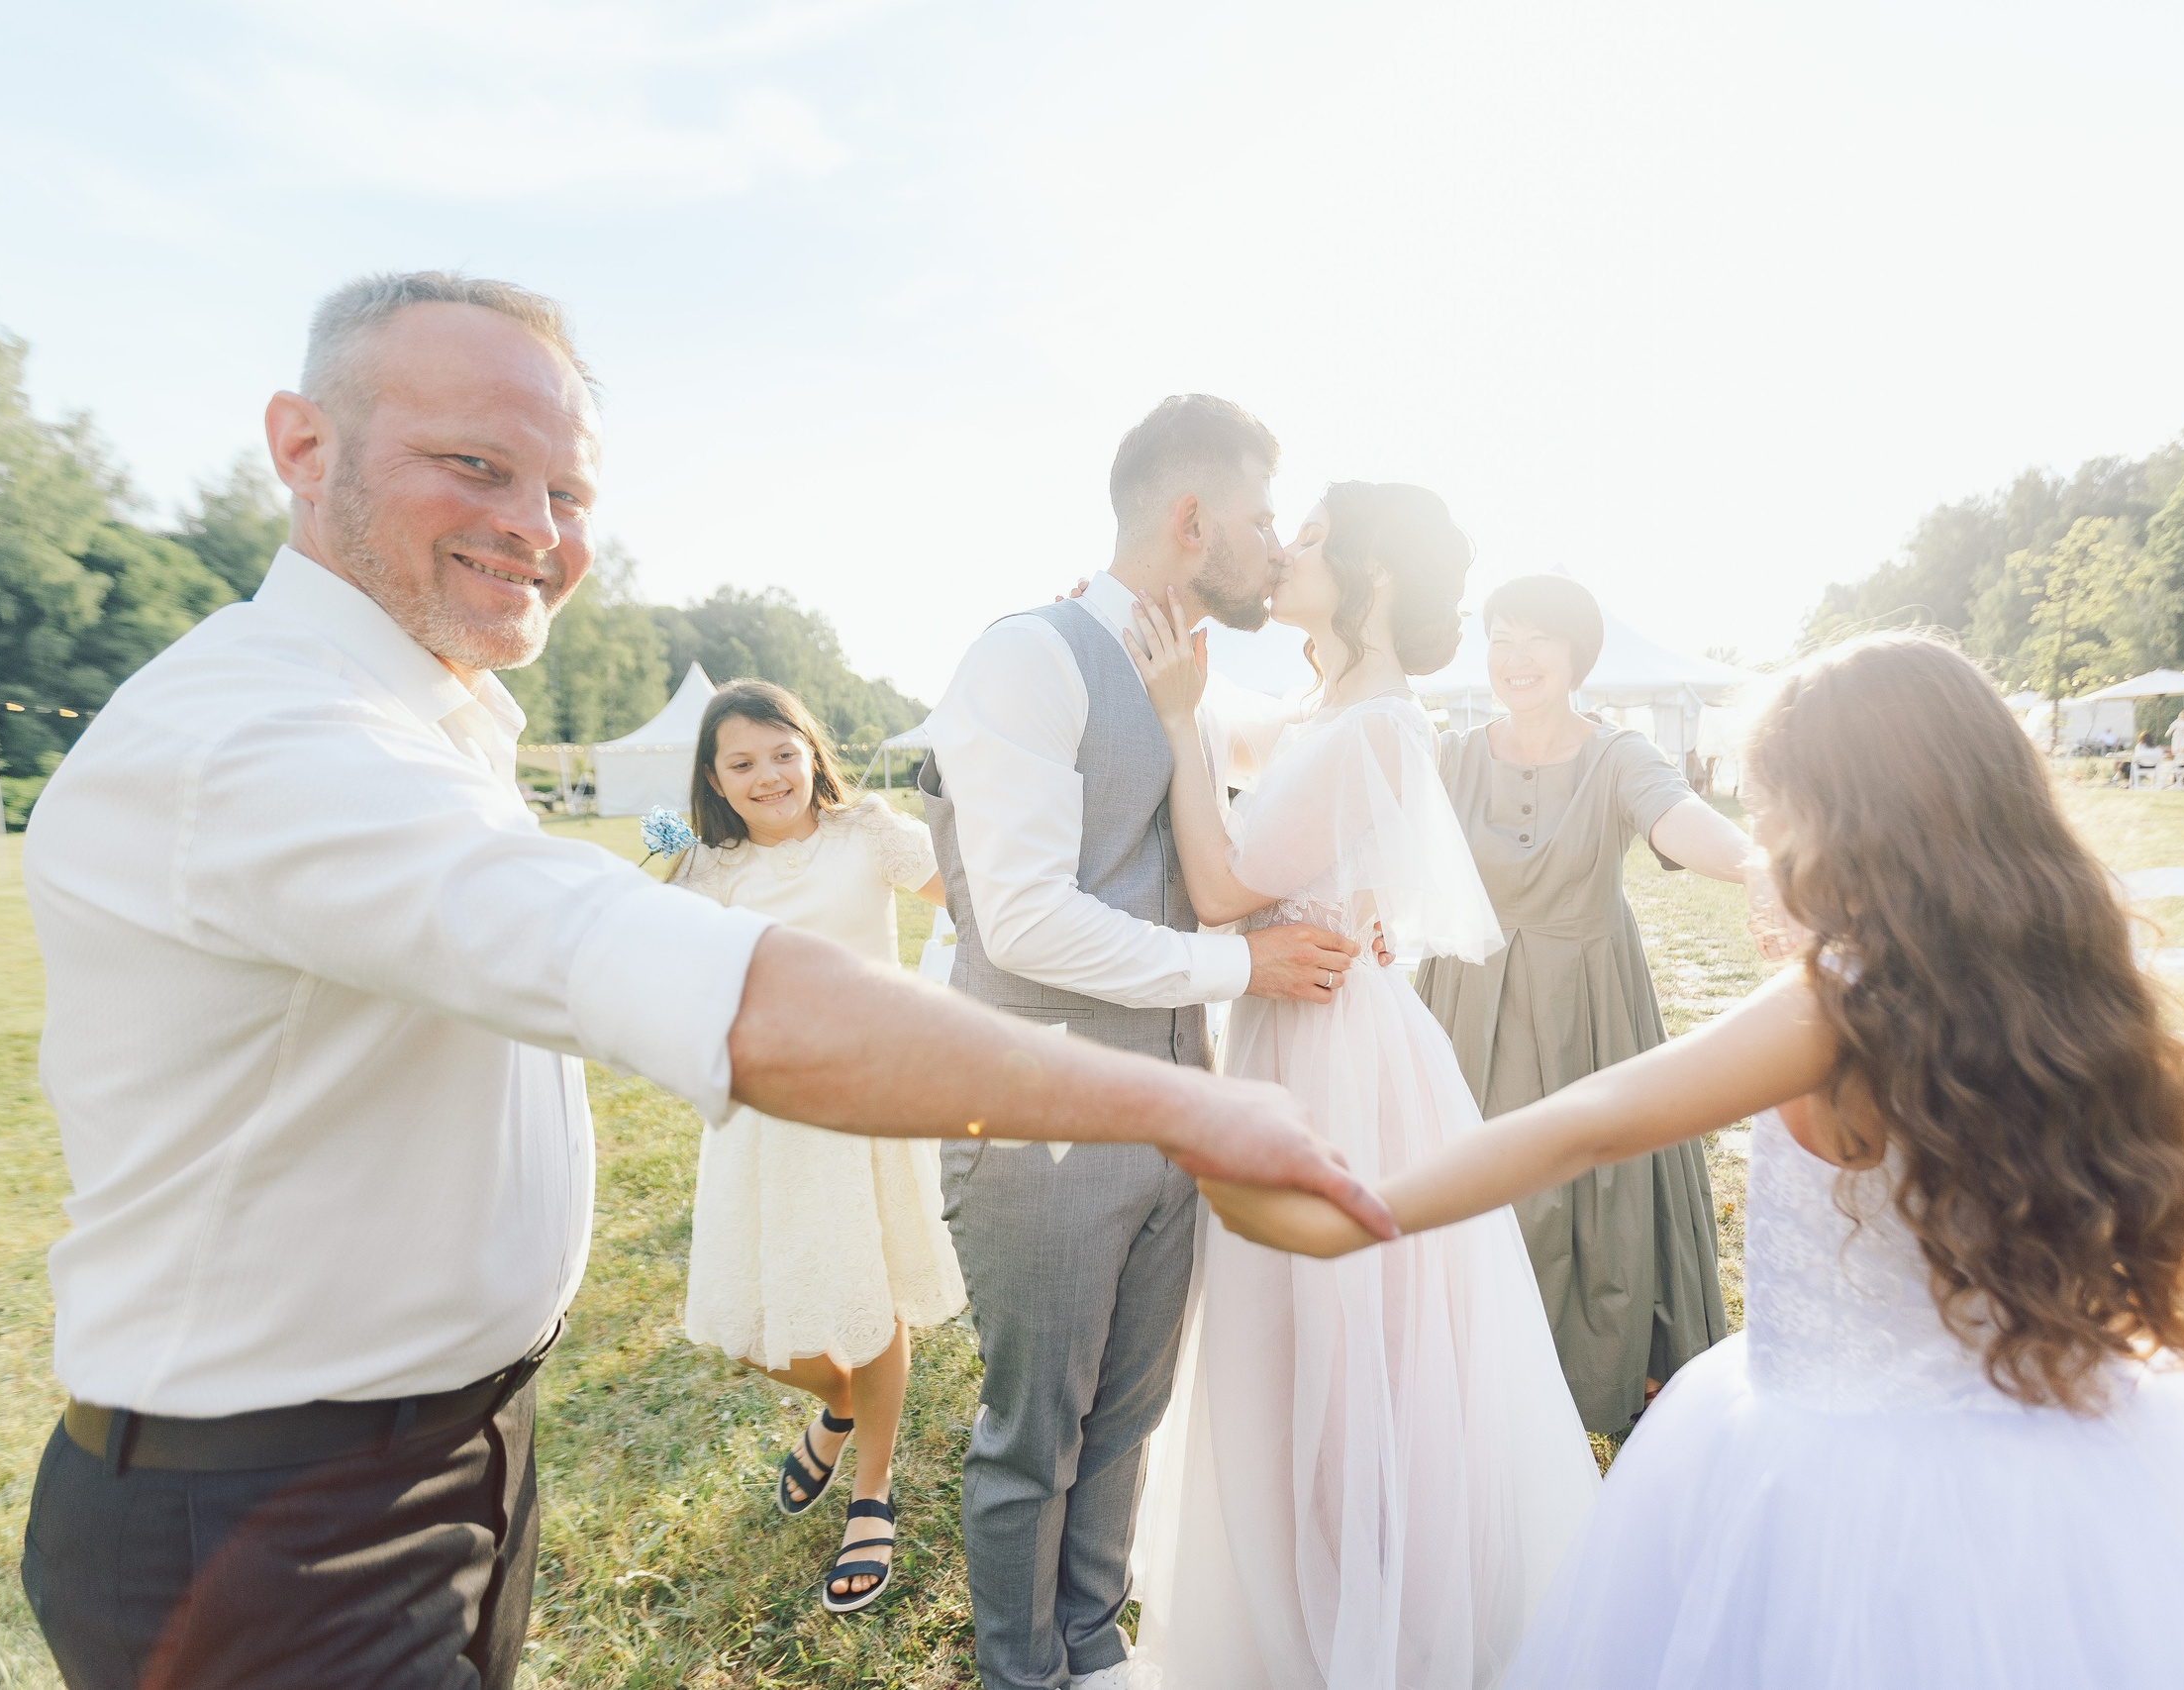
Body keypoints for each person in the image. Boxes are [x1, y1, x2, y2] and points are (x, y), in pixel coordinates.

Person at [17, 278, 1389, 1690]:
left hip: (442, 1456)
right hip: (270, 1515)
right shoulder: (258, 733)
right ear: (302, 447)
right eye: (476, 465)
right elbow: (707, 981)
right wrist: (1195, 1104)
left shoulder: (419, 716)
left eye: (567, 488)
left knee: (1116, 1408)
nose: (538, 530)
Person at [1201, 633, 2184, 1689]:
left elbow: (1594, 1119)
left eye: (1770, 806)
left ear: (1839, 818)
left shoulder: (1842, 999)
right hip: (2065, 1433)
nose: (1760, 835)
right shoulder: (2054, 973)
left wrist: (1351, 1208)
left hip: (1833, 1469)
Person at [918, 394, 1384, 1690]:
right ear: (1193, 520)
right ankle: (1023, 1671)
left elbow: (1286, 787)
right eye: (1260, 520)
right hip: (1041, 1115)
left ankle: (1091, 1648)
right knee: (1035, 1435)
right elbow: (1020, 923)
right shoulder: (1027, 655)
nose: (1274, 544)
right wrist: (1238, 961)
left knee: (1127, 1415)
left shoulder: (1193, 684)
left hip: (1184, 1107)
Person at [1125, 484, 1598, 1689]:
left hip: (1336, 1057)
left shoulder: (1380, 724)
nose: (1286, 550)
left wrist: (1178, 722)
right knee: (1297, 1341)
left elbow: (1227, 887)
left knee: (1356, 1347)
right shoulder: (1326, 705)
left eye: (1319, 539)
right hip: (1298, 1026)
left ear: (1376, 578)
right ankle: (1316, 1583)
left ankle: (1373, 1618)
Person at [1414, 574, 1746, 1436]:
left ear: (1575, 656)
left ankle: (1595, 1382)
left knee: (1596, 1211)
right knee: (1480, 1208)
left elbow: (1677, 818)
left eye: (1537, 640)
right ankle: (1477, 1400)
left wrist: (1763, 869)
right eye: (1500, 638)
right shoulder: (1447, 754)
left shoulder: (1618, 754)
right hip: (1469, 1007)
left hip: (1588, 1013)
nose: (1515, 659)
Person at [667, 679, 965, 1614]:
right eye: (742, 762)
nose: (768, 775)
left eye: (781, 752)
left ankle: (870, 1487)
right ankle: (835, 1400)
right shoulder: (707, 871)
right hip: (761, 1114)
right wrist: (657, 858)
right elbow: (648, 958)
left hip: (870, 1098)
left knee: (877, 1298)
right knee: (744, 1321)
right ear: (715, 779)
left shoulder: (865, 833)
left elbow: (967, 891)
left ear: (810, 749)